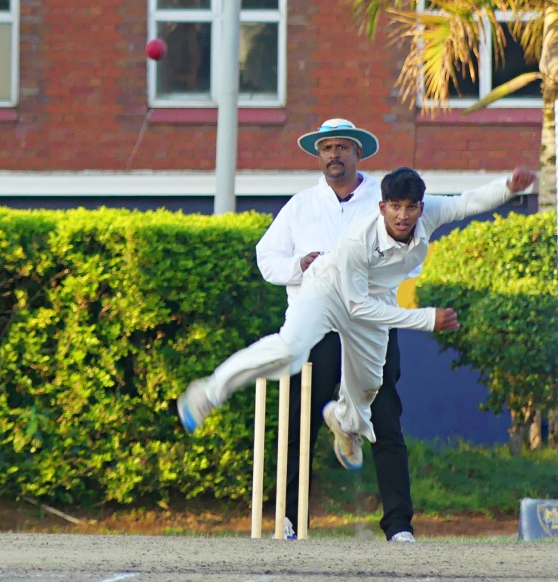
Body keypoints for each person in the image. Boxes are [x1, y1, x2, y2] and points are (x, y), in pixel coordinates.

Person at [177, 164, 537, 498]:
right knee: (291, 352)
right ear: (382, 207)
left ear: (421, 208)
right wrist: (427, 319)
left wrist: (507, 187)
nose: (403, 216)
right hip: (329, 290)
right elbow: (355, 307)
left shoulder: (429, 214)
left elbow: (467, 202)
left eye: (411, 208)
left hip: (373, 297)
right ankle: (208, 391)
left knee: (367, 385)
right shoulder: (357, 241)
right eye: (395, 207)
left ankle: (344, 422)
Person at [254, 119, 415, 542]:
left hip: (371, 325)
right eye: (327, 148)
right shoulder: (301, 205)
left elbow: (407, 248)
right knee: (299, 422)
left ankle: (399, 527)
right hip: (317, 325)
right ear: (318, 156)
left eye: (343, 147)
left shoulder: (382, 200)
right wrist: (299, 266)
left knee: (384, 420)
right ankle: (290, 522)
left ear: (358, 153)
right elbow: (266, 256)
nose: (334, 155)